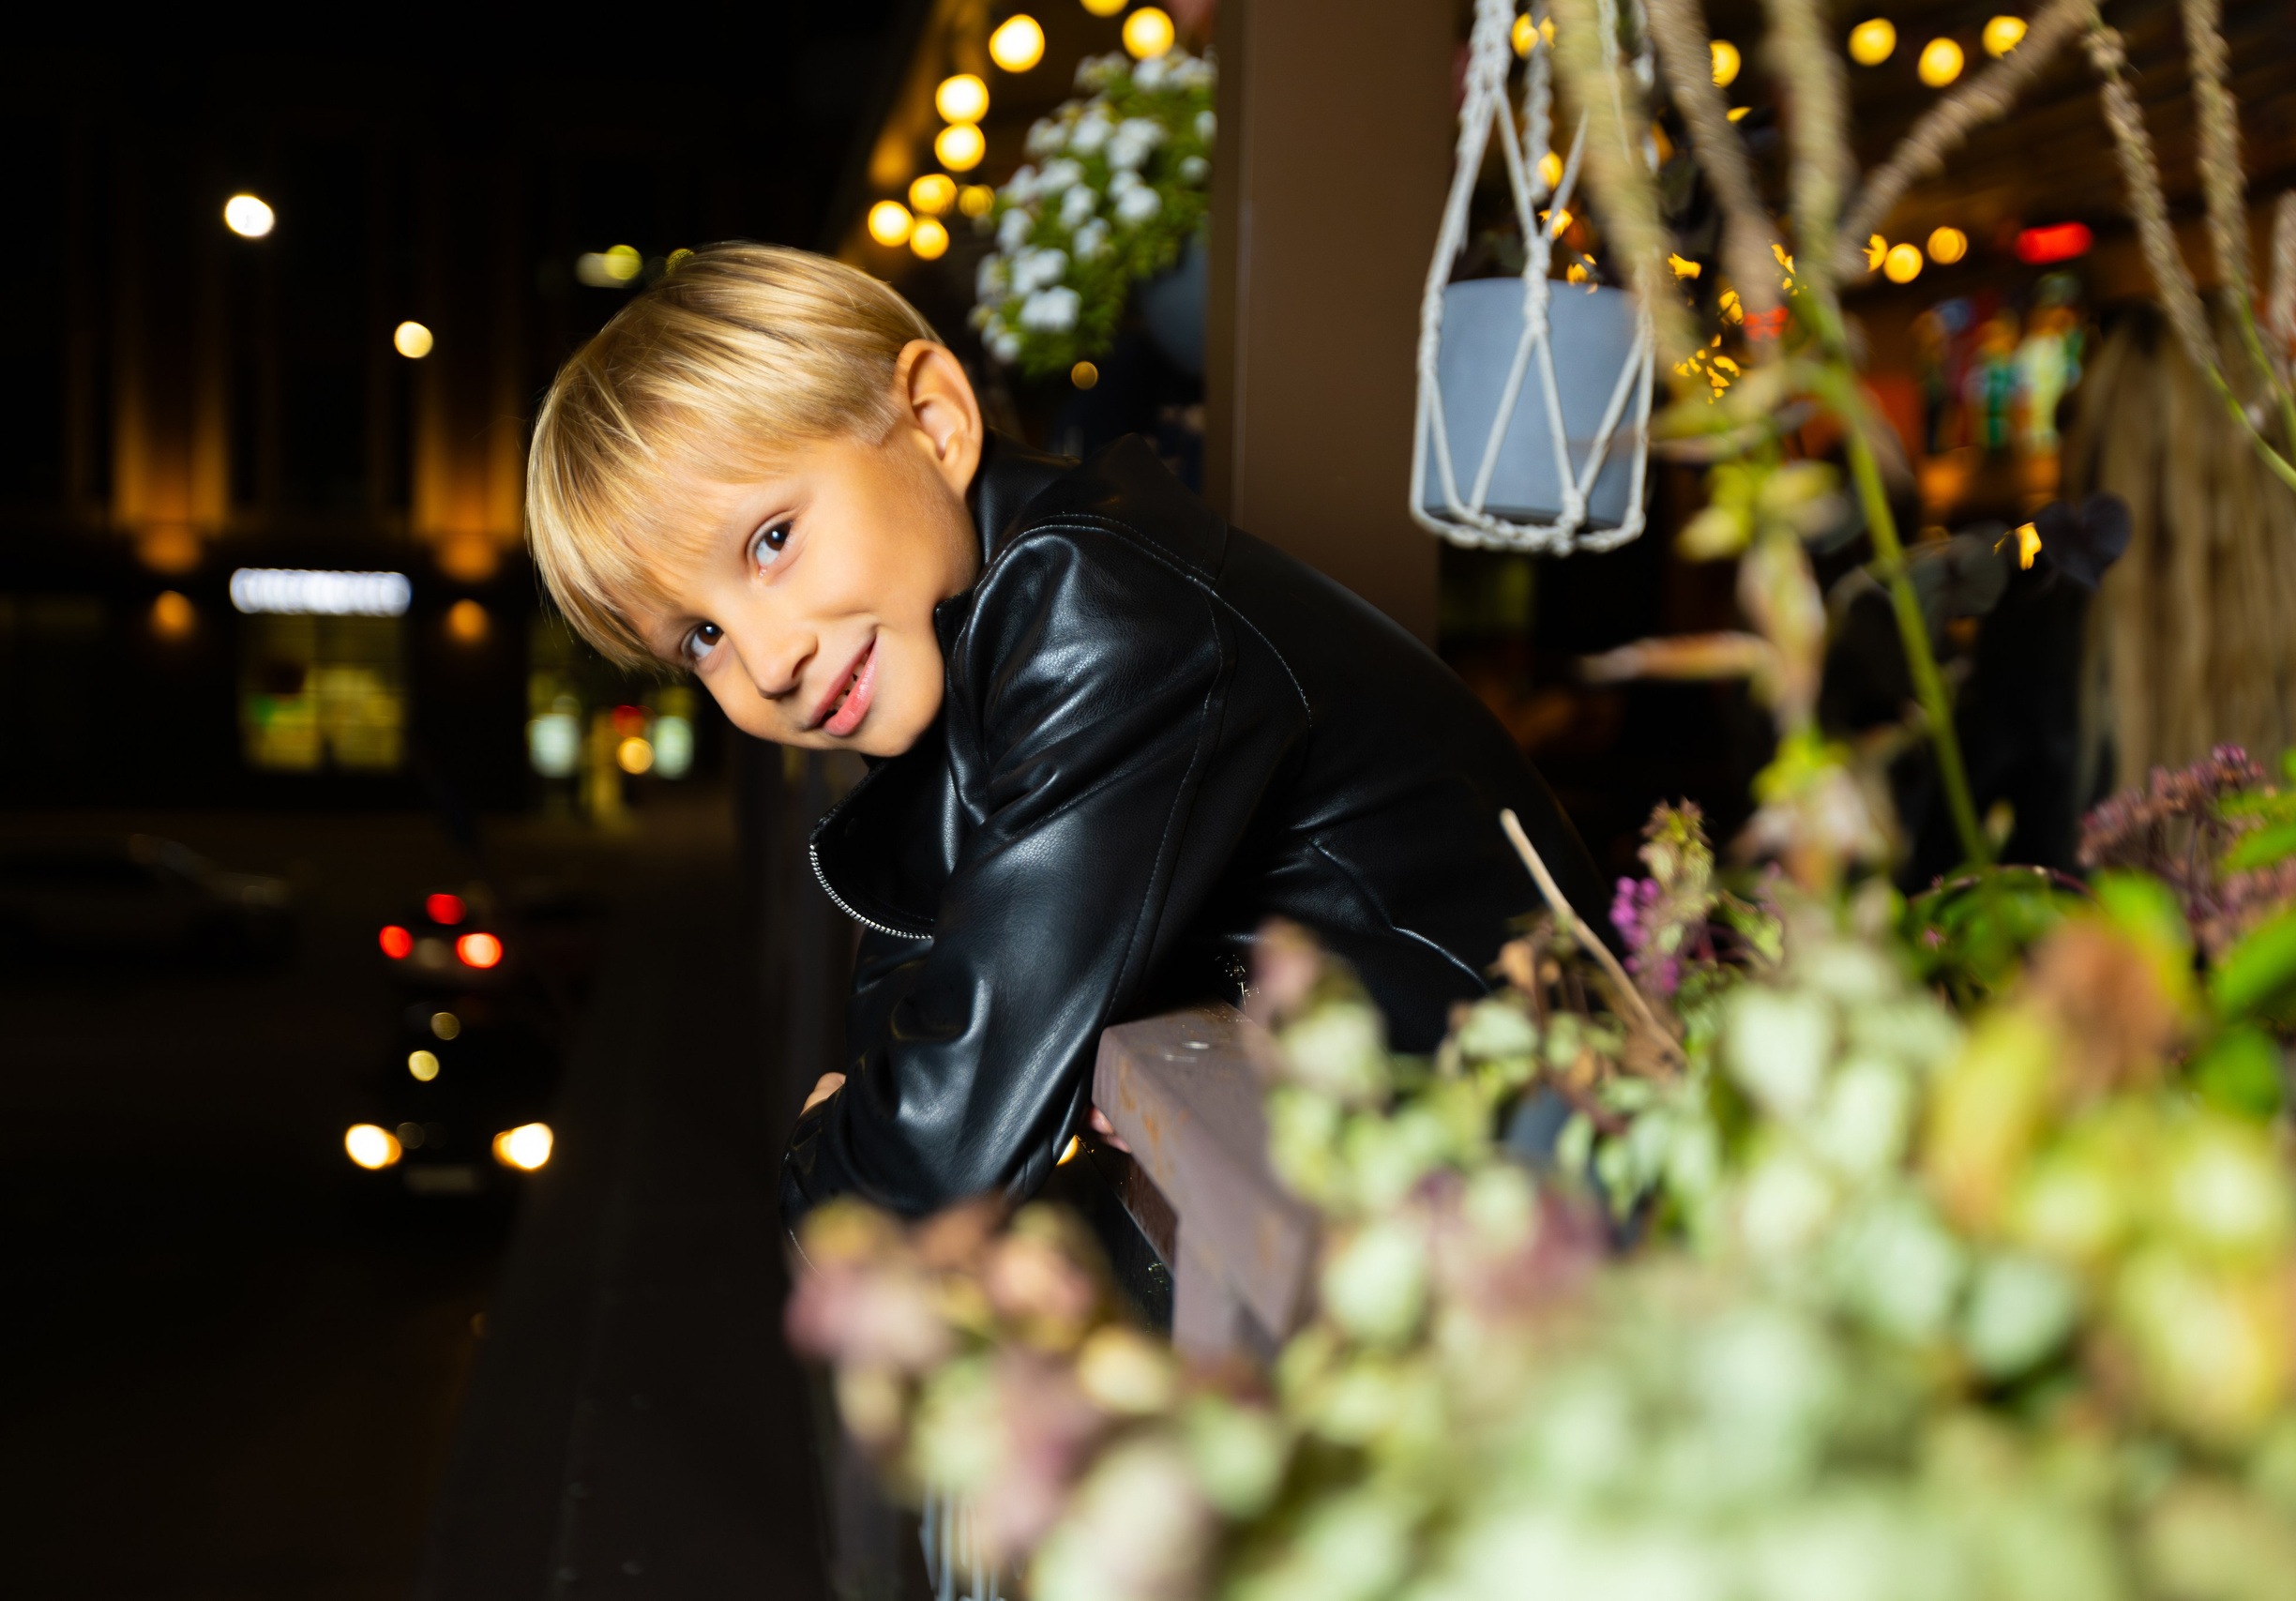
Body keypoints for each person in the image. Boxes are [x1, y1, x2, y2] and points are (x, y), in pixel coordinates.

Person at [522, 244, 1607, 1222]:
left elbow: (920, 1170)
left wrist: (816, 1162)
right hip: (1445, 1191)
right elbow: (918, 1029)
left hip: (1560, 1198)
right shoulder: (966, 654)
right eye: (701, 637)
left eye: (771, 540)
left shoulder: (1100, 612)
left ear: (935, 422)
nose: (768, 662)